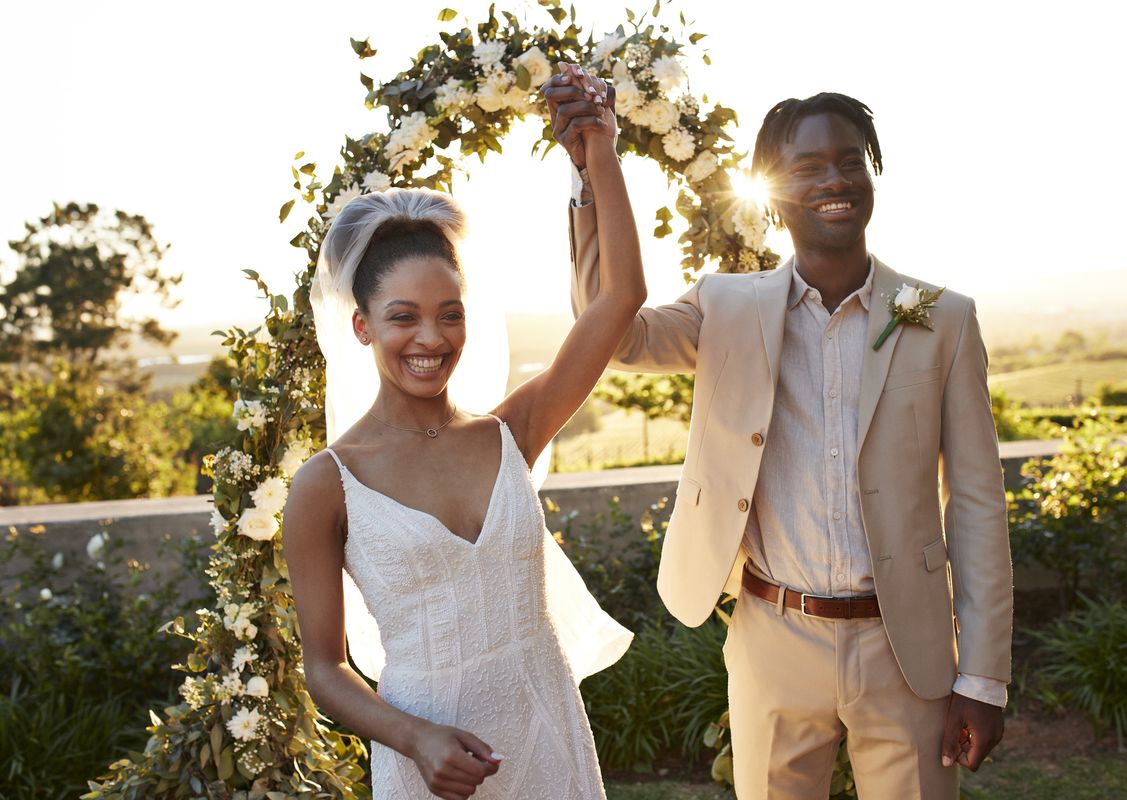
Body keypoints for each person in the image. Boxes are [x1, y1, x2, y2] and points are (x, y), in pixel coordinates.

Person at [545, 81, 1012, 799]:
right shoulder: (726, 305)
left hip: (906, 648)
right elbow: (617, 331)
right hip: (773, 635)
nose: (834, 179)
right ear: (771, 190)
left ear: (871, 175)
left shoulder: (940, 318)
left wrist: (983, 677)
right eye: (808, 165)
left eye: (850, 160)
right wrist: (591, 175)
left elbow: (978, 506)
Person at [283, 64, 642, 800]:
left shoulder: (513, 431)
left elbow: (622, 296)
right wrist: (414, 738)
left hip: (546, 727)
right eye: (403, 316)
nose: (431, 338)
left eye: (450, 313)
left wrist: (599, 147)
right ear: (361, 325)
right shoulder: (325, 485)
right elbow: (324, 670)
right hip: (430, 766)